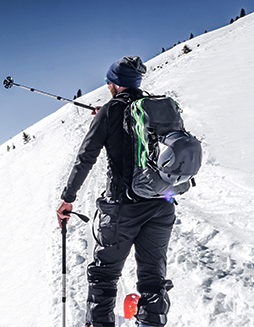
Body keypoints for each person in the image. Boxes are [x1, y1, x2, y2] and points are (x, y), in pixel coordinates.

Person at [56, 56, 175, 327]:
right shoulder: (153, 108)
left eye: (109, 82)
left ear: (114, 83)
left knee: (104, 275)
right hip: (162, 204)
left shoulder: (110, 112)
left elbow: (86, 157)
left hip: (123, 207)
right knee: (153, 278)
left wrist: (68, 199)